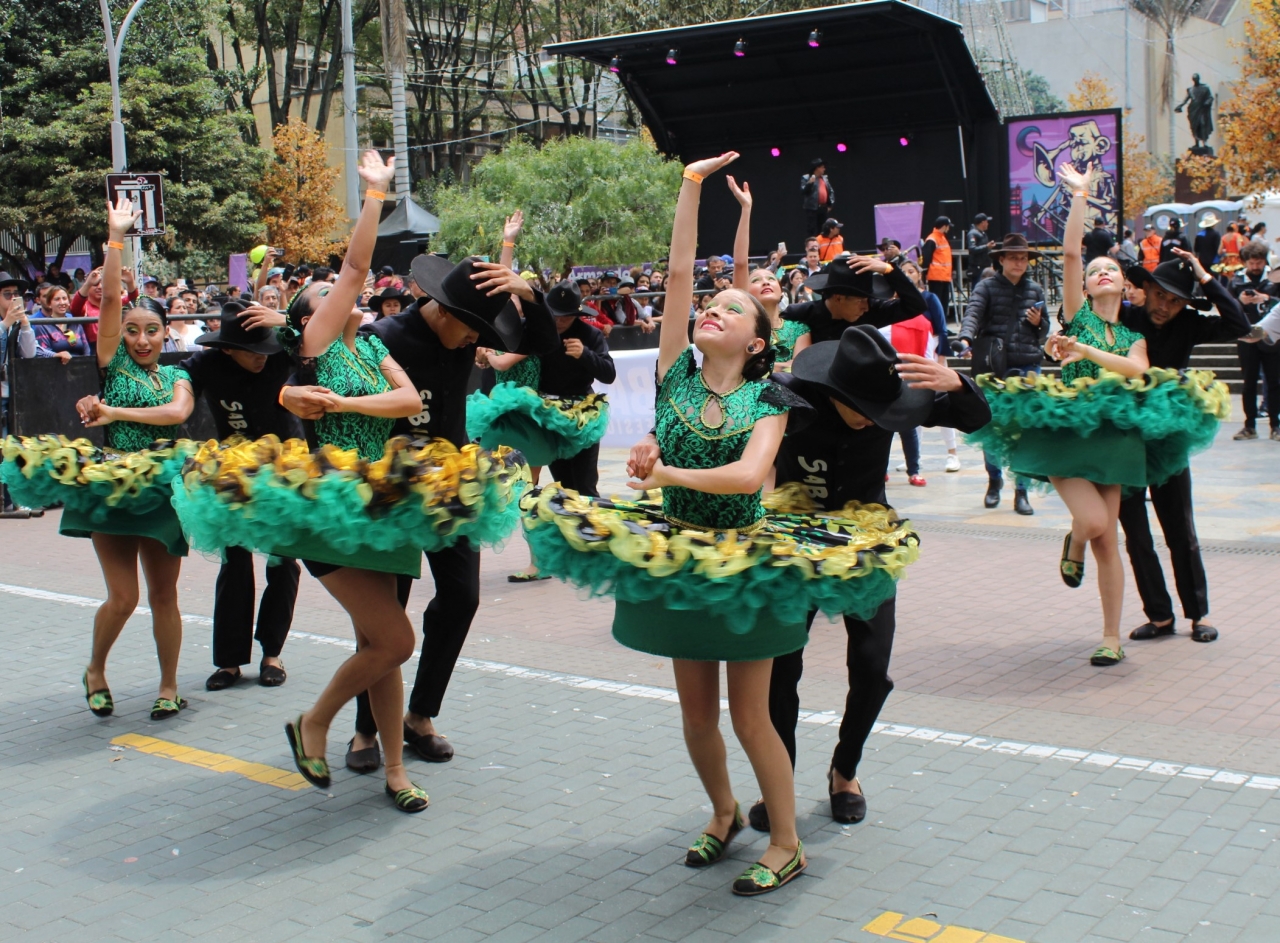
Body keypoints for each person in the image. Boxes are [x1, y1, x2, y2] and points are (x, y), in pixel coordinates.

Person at [523, 152, 918, 896]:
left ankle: (788, 840)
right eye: (713, 302)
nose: (714, 307)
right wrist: (690, 188)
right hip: (677, 555)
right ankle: (723, 810)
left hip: (742, 563)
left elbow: (744, 479)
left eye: (733, 309)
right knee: (696, 715)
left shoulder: (770, 400)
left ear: (758, 341)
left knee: (749, 716)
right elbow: (677, 277)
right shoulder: (675, 373)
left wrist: (664, 471)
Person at [174, 153, 520, 813]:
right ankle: (315, 722)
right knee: (396, 638)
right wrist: (373, 196)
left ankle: (392, 767)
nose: (342, 294)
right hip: (331, 507)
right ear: (310, 317)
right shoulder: (322, 342)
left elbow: (404, 401)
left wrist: (341, 405)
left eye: (341, 294)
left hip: (385, 503)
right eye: (325, 296)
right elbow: (356, 270)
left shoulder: (371, 349)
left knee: (378, 642)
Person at [970, 161, 1229, 666]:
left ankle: (1110, 635)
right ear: (1086, 288)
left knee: (1110, 539)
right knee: (1092, 521)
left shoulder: (1134, 337)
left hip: (1115, 437)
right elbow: (1070, 252)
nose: (1102, 272)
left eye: (1109, 268)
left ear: (1122, 284)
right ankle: (1074, 540)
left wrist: (1086, 354)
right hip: (1066, 431)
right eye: (1095, 272)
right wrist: (1081, 196)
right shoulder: (1077, 316)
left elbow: (1135, 373)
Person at [748, 325, 990, 831]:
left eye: (885, 415)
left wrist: (958, 383)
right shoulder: (788, 394)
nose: (876, 423)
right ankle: (779, 783)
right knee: (779, 670)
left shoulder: (895, 399)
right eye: (866, 413)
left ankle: (845, 770)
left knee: (872, 664)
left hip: (867, 542)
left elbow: (976, 417)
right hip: (794, 540)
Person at [3, 198, 196, 720]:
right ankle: (95, 669)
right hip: (111, 484)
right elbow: (110, 296)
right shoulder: (111, 363)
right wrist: (114, 236)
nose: (140, 338)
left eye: (151, 330)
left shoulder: (179, 377)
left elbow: (177, 414)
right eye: (132, 330)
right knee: (122, 597)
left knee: (164, 596)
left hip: (160, 489)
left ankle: (169, 686)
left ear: (164, 335)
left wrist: (112, 412)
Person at [1115, 244, 1249, 647]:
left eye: (1175, 301)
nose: (1164, 306)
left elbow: (1238, 324)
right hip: (1124, 434)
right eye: (1160, 295)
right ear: (1147, 289)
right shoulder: (1128, 317)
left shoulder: (1190, 323)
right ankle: (1158, 616)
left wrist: (1205, 277)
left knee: (1180, 531)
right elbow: (1079, 317)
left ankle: (1197, 615)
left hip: (1169, 437)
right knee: (1136, 535)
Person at [180, 301, 304, 692]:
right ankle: (229, 661)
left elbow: (333, 331)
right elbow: (171, 383)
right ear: (228, 349)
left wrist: (284, 321)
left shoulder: (282, 354)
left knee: (283, 562)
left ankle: (272, 652)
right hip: (232, 473)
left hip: (284, 470)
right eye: (251, 351)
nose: (260, 359)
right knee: (234, 561)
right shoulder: (205, 366)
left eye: (265, 349)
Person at [957, 233, 1048, 515]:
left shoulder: (1035, 290)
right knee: (991, 430)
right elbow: (973, 313)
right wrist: (965, 339)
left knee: (1024, 433)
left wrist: (1039, 323)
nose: (1020, 262)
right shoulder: (986, 287)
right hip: (994, 369)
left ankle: (1022, 492)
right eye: (1014, 257)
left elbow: (1045, 332)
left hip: (1027, 367)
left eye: (1023, 258)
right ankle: (994, 482)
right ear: (1002, 260)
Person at [726, 174, 809, 369]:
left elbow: (801, 370)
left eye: (771, 278)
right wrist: (746, 208)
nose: (765, 282)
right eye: (755, 280)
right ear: (745, 292)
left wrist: (765, 366)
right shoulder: (744, 326)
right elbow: (739, 264)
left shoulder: (799, 328)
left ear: (781, 290)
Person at [784, 254, 926, 357]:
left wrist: (889, 270)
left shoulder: (872, 312)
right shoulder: (800, 315)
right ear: (838, 298)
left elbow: (916, 305)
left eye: (868, 299)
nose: (866, 307)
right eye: (860, 300)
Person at [900, 259, 960, 472]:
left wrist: (941, 359)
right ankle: (915, 456)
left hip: (931, 351)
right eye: (903, 272)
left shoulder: (930, 298)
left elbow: (942, 329)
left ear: (919, 274)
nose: (907, 275)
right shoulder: (898, 302)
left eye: (911, 271)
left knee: (940, 402)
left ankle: (952, 453)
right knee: (914, 404)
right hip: (908, 356)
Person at [1229, 241, 1280, 441]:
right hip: (1247, 334)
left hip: (1271, 336)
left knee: (1274, 381)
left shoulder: (1274, 279)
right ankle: (1249, 425)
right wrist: (1240, 301)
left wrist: (1266, 298)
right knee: (1249, 382)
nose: (1255, 267)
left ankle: (1275, 424)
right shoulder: (1236, 280)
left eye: (1259, 263)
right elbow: (1226, 303)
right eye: (1252, 263)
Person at [29, 286, 90, 362]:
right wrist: (57, 355)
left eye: (64, 298)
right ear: (49, 304)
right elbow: (43, 352)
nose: (62, 302)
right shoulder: (42, 326)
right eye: (57, 299)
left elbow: (86, 350)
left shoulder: (76, 323)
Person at [920, 216, 954, 312]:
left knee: (943, 304)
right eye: (948, 226)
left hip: (944, 276)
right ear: (944, 226)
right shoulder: (932, 239)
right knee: (937, 304)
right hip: (936, 277)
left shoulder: (941, 238)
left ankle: (942, 325)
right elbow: (926, 259)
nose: (949, 228)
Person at [801, 158, 834, 240]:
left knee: (822, 229)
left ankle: (821, 246)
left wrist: (830, 205)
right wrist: (810, 183)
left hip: (823, 207)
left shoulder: (824, 178)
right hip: (812, 208)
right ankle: (811, 246)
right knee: (812, 229)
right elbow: (804, 191)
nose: (824, 169)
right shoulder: (806, 177)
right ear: (817, 168)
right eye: (822, 167)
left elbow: (830, 191)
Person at [966, 213, 992, 282]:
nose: (988, 224)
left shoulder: (983, 233)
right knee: (977, 287)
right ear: (983, 223)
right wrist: (986, 246)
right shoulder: (973, 233)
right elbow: (972, 248)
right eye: (987, 222)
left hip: (984, 266)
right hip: (977, 268)